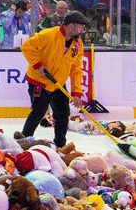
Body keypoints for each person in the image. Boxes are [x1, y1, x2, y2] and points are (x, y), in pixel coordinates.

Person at [20, 11, 90, 147]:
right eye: (82, 27)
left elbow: (76, 70)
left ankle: (60, 146)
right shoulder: (49, 35)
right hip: (40, 81)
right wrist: (38, 65)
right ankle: (22, 143)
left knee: (63, 114)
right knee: (38, 113)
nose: (83, 30)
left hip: (58, 83)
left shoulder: (77, 45)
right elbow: (27, 46)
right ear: (71, 26)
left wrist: (76, 92)